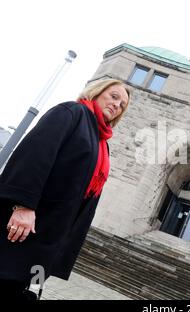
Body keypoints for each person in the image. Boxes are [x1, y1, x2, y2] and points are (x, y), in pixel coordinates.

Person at [0, 78, 130, 300]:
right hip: (25, 225)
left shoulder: (102, 142)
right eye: (114, 96)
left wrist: (64, 246)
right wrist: (24, 205)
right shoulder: (72, 113)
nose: (117, 105)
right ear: (97, 93)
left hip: (49, 236)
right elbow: (34, 156)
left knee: (19, 286)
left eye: (122, 105)